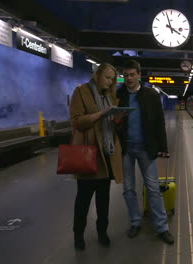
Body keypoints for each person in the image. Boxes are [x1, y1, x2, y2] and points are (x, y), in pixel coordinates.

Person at [115, 59, 174, 244]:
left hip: (146, 149)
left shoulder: (151, 95)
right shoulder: (119, 95)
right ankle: (135, 222)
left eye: (132, 74)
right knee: (128, 189)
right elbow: (113, 123)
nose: (129, 78)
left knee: (153, 188)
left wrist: (163, 147)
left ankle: (162, 227)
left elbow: (159, 123)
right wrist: (116, 121)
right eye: (126, 75)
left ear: (139, 75)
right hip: (126, 149)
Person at [68, 63, 124, 250]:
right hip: (89, 153)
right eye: (107, 77)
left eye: (112, 79)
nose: (110, 82)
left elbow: (113, 127)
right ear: (97, 75)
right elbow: (77, 122)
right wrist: (101, 114)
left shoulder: (110, 96)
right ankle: (78, 235)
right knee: (83, 200)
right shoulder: (81, 92)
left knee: (103, 200)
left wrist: (116, 119)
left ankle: (102, 232)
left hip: (106, 155)